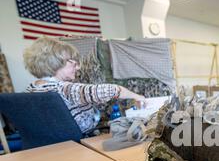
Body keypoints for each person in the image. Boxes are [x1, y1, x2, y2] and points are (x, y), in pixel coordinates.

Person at [23, 37, 152, 134]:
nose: (78, 67)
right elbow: (113, 90)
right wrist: (137, 96)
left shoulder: (30, 89)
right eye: (73, 63)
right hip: (81, 143)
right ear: (55, 62)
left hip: (53, 146)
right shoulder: (65, 89)